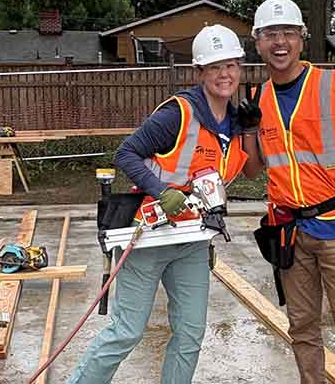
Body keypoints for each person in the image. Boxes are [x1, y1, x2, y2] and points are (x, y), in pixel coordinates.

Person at [68, 24, 249, 384]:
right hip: (149, 237)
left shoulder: (234, 123)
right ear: (199, 72)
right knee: (127, 331)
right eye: (214, 67)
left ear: (240, 69)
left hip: (193, 239)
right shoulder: (178, 114)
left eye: (230, 65)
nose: (224, 74)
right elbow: (126, 153)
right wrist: (161, 190)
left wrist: (253, 130)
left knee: (190, 334)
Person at [238, 0, 335, 384]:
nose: (280, 42)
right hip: (290, 231)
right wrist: (249, 130)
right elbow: (252, 170)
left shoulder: (334, 88)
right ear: (257, 42)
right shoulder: (259, 99)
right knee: (302, 329)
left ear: (302, 38)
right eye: (270, 34)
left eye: (288, 33)